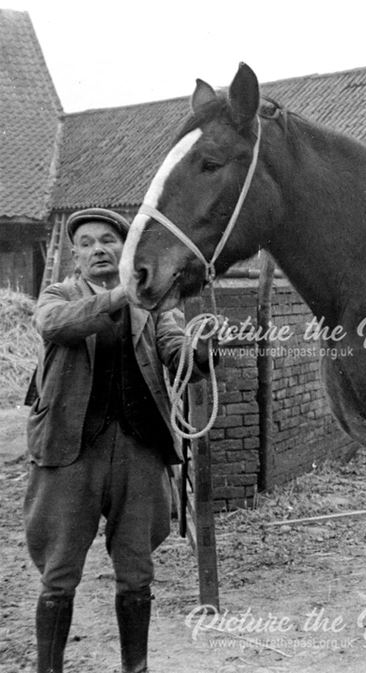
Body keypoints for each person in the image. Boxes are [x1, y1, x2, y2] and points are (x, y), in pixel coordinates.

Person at [24, 208, 209, 673]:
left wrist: (200, 350)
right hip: (69, 451)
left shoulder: (154, 303)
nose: (98, 249)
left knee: (136, 571)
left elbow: (174, 350)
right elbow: (55, 325)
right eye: (86, 243)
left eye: (108, 240)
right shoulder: (57, 295)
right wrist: (118, 297)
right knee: (59, 572)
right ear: (75, 255)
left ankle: (136, 667)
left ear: (125, 249)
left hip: (137, 448)